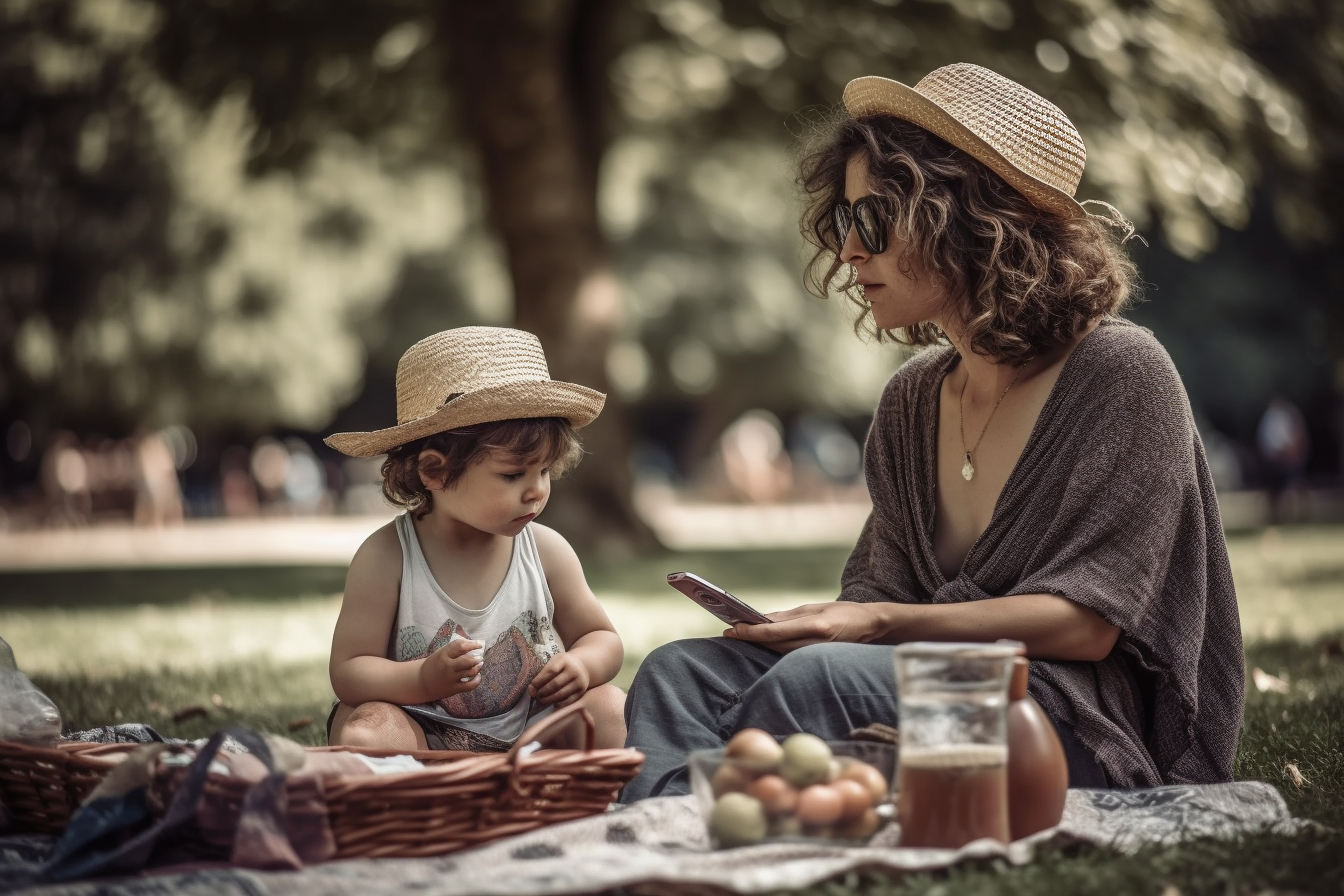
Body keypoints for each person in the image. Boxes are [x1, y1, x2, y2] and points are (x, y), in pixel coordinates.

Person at [621, 63, 1244, 800]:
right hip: (905, 687)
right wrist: (826, 623)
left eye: (872, 220)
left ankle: (730, 828)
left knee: (822, 684)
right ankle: (684, 839)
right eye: (845, 222)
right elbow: (880, 593)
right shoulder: (912, 399)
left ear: (969, 217)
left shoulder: (1121, 374)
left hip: (1059, 726)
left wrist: (878, 624)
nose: (851, 251)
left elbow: (1088, 626)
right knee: (676, 673)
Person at [325, 326, 627, 752]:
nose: (537, 490)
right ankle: (422, 805)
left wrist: (582, 664)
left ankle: (600, 804)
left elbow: (604, 638)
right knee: (369, 729)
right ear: (435, 472)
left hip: (532, 736)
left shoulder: (547, 551)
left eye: (544, 471)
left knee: (612, 708)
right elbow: (349, 671)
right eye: (512, 474)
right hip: (425, 735)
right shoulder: (387, 557)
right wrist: (422, 679)